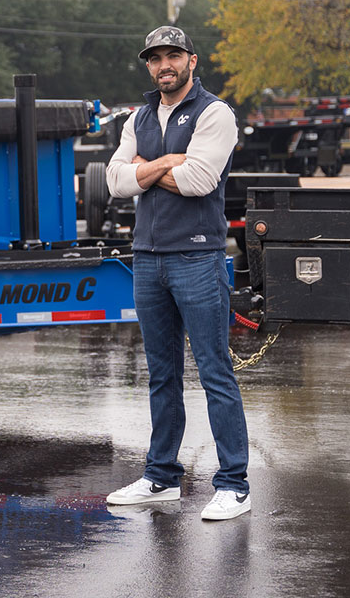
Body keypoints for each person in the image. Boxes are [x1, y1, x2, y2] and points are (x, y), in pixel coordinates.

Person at [103, 26, 251, 521]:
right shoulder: (139, 116)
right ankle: (161, 477)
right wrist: (167, 161)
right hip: (146, 257)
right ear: (149, 65)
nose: (165, 64)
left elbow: (199, 180)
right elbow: (115, 182)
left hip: (197, 258)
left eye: (173, 55)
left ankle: (233, 484)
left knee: (214, 372)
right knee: (161, 374)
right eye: (156, 58)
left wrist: (146, 169)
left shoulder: (215, 113)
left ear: (191, 60)